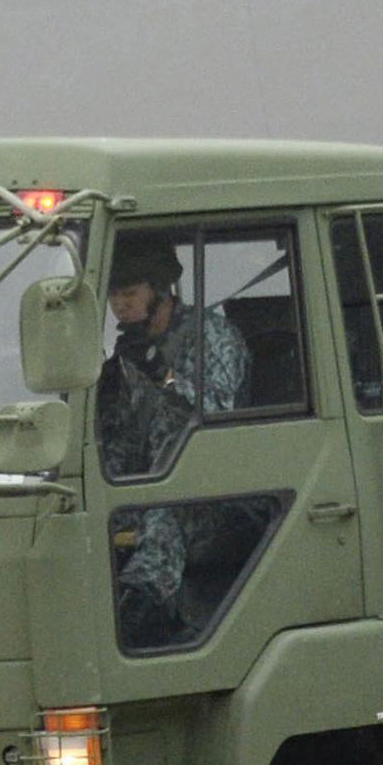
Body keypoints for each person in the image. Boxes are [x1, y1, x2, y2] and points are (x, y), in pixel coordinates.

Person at [95, 232, 249, 648]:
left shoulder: (210, 337)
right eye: (112, 295)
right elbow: (123, 437)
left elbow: (219, 412)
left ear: (160, 290)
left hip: (214, 494)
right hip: (146, 491)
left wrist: (164, 377)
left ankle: (133, 625)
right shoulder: (130, 355)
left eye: (129, 292)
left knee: (163, 522)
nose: (120, 305)